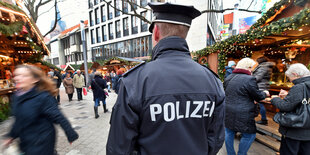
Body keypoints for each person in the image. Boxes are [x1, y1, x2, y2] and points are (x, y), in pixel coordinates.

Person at [107, 3, 225, 155]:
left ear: (156, 32)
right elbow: (215, 140)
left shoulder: (135, 81)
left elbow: (119, 147)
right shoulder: (212, 81)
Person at [3, 65, 78, 154]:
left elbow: (58, 116)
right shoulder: (16, 96)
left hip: (43, 142)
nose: (18, 78)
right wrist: (11, 136)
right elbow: (18, 120)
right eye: (17, 75)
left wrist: (70, 133)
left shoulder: (43, 97)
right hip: (25, 143)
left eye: (24, 76)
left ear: (35, 79)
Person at [224, 58, 269, 155]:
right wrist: (265, 93)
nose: (252, 70)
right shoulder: (249, 79)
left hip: (228, 109)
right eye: (252, 68)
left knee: (229, 132)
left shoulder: (229, 77)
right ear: (248, 67)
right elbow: (257, 96)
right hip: (244, 111)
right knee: (249, 135)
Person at [270, 63, 310, 155]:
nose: (290, 80)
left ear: (295, 75)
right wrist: (289, 95)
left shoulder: (299, 87)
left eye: (289, 77)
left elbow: (286, 106)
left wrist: (275, 99)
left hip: (295, 129)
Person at [252, 56, 275, 125]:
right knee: (260, 103)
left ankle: (264, 119)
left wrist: (250, 78)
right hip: (263, 86)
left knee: (260, 103)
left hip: (260, 87)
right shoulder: (266, 67)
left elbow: (258, 77)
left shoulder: (263, 67)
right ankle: (263, 118)